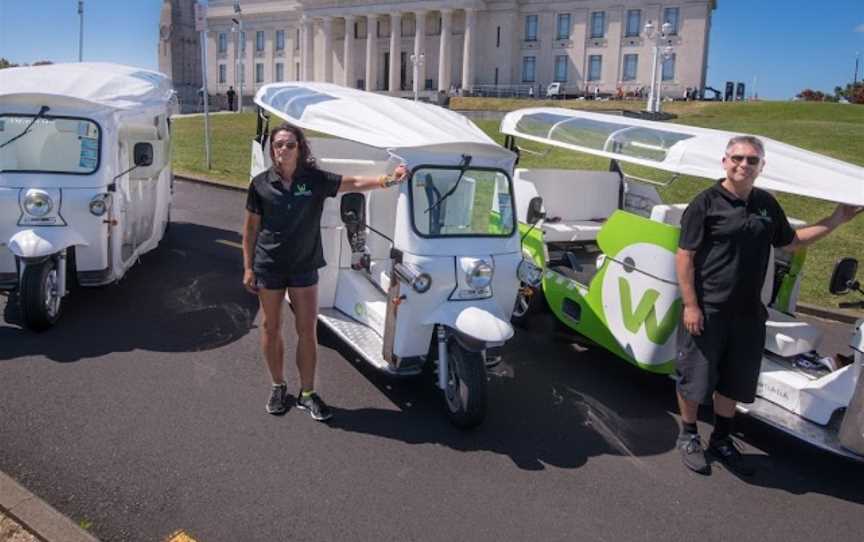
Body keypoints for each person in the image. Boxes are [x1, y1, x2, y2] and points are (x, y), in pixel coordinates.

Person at [675, 135, 862, 475]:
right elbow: (685, 255)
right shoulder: (704, 203)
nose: (743, 165)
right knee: (696, 377)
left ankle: (721, 437)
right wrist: (690, 304)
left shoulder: (765, 204)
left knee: (735, 378)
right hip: (708, 309)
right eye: (737, 158)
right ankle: (688, 434)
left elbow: (791, 242)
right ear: (724, 162)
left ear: (761, 167)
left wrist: (836, 219)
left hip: (748, 312)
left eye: (752, 160)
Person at [242, 123, 408, 420]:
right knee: (270, 327)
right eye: (278, 145)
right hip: (269, 265)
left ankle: (307, 393)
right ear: (272, 150)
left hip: (305, 266)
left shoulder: (314, 180)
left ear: (299, 148)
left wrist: (389, 180)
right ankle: (278, 386)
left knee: (307, 330)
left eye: (290, 144)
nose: (283, 149)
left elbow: (355, 182)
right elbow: (251, 228)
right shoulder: (260, 184)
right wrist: (247, 267)